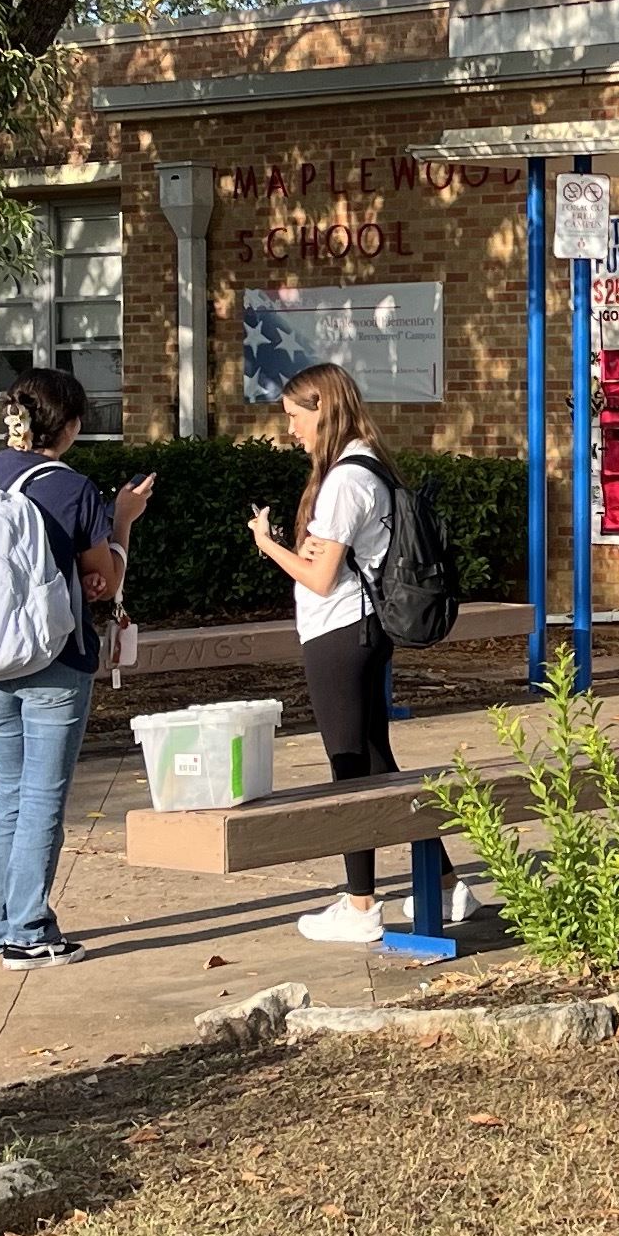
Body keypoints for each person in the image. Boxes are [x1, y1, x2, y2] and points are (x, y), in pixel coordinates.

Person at [0, 367, 155, 968]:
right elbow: (109, 576)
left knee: (10, 792)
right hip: (53, 657)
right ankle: (29, 931)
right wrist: (122, 517)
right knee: (44, 797)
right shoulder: (72, 488)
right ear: (70, 425)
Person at [245, 361, 399, 945]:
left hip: (339, 633)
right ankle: (445, 880)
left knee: (348, 766)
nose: (291, 430)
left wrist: (268, 545)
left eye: (295, 417)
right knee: (378, 763)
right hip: (361, 629)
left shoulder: (344, 480)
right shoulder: (370, 464)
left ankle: (361, 905)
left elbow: (318, 578)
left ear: (322, 409)